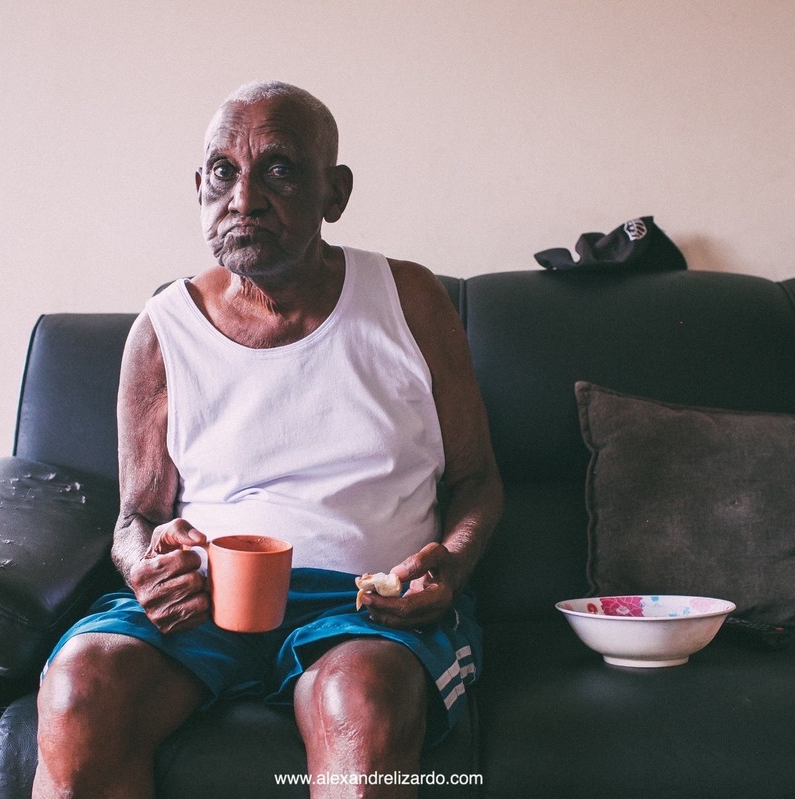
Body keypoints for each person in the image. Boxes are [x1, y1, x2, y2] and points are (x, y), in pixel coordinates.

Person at [32, 80, 504, 799]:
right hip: (206, 603)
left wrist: (455, 565)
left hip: (364, 605)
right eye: (223, 172)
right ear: (199, 187)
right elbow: (137, 517)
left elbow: (477, 482)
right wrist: (142, 567)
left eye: (279, 169)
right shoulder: (162, 332)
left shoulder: (409, 301)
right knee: (80, 686)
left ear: (334, 193)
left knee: (365, 698)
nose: (244, 198)